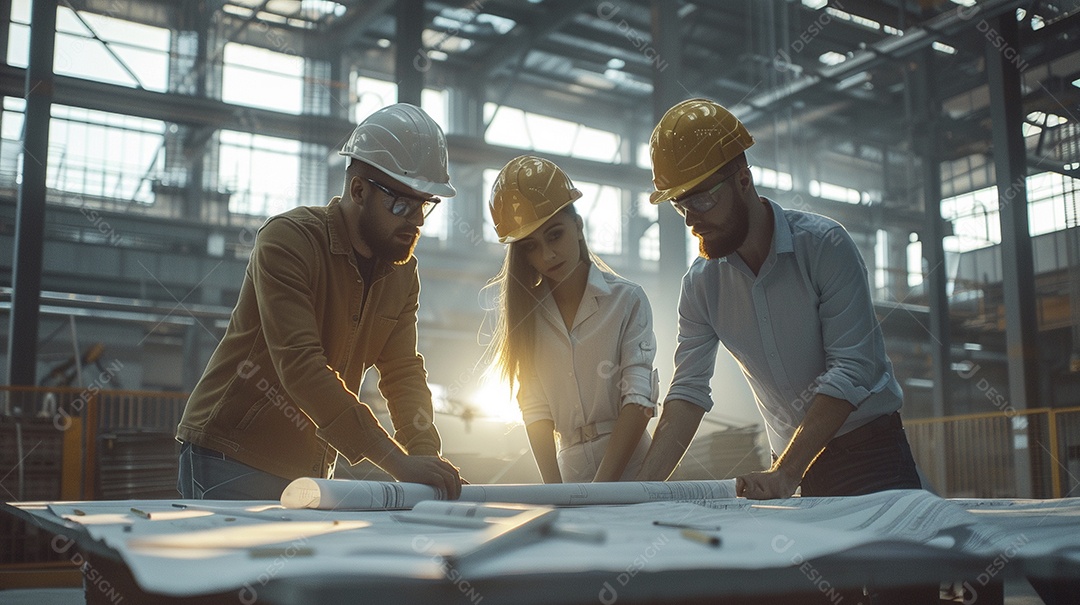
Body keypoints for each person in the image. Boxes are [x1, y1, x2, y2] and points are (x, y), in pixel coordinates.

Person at [637, 98, 922, 500]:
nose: (690, 218)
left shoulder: (825, 247)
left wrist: (786, 473)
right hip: (792, 467)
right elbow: (687, 394)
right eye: (680, 203)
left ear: (743, 180)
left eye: (701, 198)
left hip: (870, 459)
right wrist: (637, 493)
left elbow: (852, 369)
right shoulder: (702, 286)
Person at [176, 103, 462, 501]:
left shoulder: (401, 273)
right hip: (231, 456)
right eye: (401, 203)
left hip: (309, 467)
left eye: (425, 205)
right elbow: (301, 365)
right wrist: (396, 462)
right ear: (358, 190)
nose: (415, 220)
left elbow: (402, 372)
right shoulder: (288, 240)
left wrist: (425, 456)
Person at [484, 155, 659, 483]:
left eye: (554, 235)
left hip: (632, 470)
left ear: (578, 227)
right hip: (570, 473)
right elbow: (535, 409)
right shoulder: (529, 319)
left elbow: (638, 399)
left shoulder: (627, 300)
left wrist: (600, 490)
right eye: (531, 247)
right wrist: (555, 492)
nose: (547, 255)